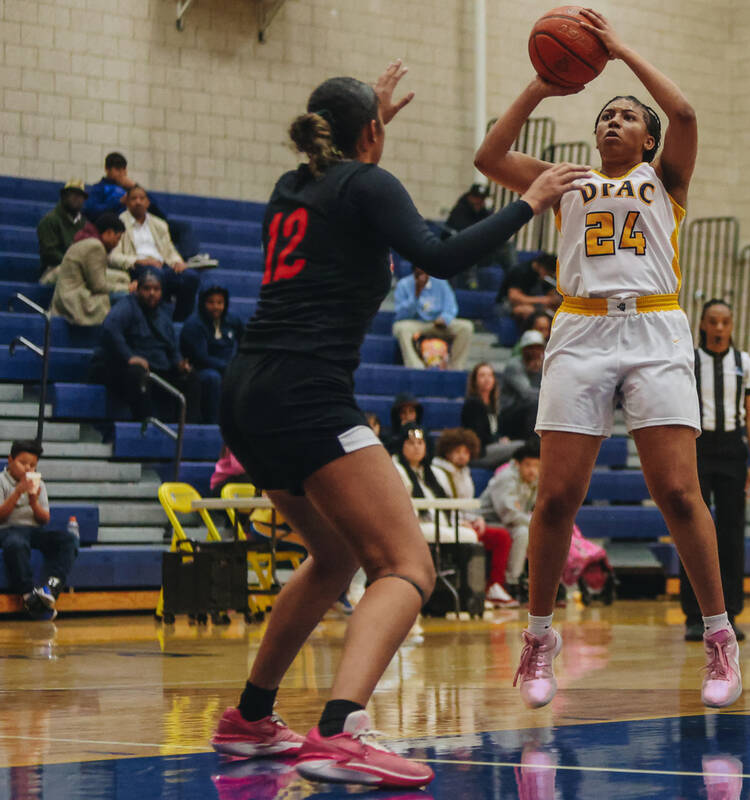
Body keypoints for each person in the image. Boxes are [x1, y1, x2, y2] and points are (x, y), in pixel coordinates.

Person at [206, 61, 587, 790]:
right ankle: (340, 730)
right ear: (372, 134)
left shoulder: (291, 187)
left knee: (332, 556)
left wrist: (367, 121)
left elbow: (345, 182)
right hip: (307, 392)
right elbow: (440, 255)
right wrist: (530, 201)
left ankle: (251, 718)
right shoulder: (366, 184)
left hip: (248, 391)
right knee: (407, 567)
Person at [475, 8, 741, 710]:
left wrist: (619, 51)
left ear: (649, 138)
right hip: (581, 329)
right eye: (605, 117)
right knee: (557, 496)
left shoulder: (665, 179)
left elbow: (684, 111)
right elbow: (489, 158)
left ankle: (719, 636)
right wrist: (540, 86)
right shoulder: (565, 180)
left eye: (627, 116)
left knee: (679, 493)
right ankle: (539, 637)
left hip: (654, 327)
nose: (613, 122)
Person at [681, 299, 750, 643]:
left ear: (731, 326)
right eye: (712, 321)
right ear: (702, 325)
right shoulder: (689, 360)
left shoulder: (744, 363)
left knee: (731, 533)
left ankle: (730, 613)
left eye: (724, 322)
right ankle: (693, 615)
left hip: (732, 451)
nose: (718, 328)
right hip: (696, 449)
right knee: (692, 531)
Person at [91, 269, 221, 424]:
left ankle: (188, 429)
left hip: (158, 368)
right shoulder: (127, 306)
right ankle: (144, 424)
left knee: (191, 377)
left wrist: (179, 363)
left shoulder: (164, 313)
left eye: (156, 289)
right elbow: (110, 329)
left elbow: (171, 346)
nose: (151, 293)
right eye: (147, 289)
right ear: (138, 290)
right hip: (130, 369)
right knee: (136, 373)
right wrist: (129, 356)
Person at [430, 427, 518, 607]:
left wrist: (477, 519)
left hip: (464, 523)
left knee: (502, 537)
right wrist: (459, 523)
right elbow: (441, 507)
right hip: (447, 525)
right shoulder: (437, 472)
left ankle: (494, 586)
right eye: (457, 451)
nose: (462, 456)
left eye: (466, 452)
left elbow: (467, 504)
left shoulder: (465, 473)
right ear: (447, 451)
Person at [0, 440, 78, 621]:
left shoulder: (39, 483)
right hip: (7, 529)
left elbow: (44, 519)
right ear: (10, 460)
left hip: (34, 530)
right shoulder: (1, 481)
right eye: (23, 463)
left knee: (68, 539)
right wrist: (18, 492)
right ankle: (29, 596)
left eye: (32, 465)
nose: (28, 468)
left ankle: (51, 588)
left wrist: (34, 502)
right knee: (16, 544)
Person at [113, 185, 201, 321]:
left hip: (161, 265)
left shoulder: (159, 224)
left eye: (142, 198)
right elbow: (113, 256)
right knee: (156, 275)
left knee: (191, 277)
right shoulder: (119, 222)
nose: (138, 202)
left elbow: (170, 251)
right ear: (127, 202)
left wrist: (177, 262)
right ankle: (157, 319)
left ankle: (179, 320)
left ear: (148, 202)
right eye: (134, 198)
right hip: (136, 266)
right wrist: (138, 261)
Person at [45, 213, 131, 326]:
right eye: (117, 238)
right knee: (126, 298)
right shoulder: (95, 246)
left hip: (66, 298)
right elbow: (98, 287)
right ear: (109, 232)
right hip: (75, 301)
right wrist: (128, 288)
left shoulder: (87, 240)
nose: (117, 244)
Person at [478, 440, 541, 593]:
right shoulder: (506, 478)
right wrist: (536, 525)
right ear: (517, 464)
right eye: (528, 465)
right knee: (522, 532)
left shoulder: (534, 480)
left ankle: (536, 581)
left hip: (506, 522)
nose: (532, 470)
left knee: (535, 531)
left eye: (536, 466)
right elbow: (510, 515)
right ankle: (512, 582)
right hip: (487, 521)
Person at [392, 266, 474, 369]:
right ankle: (415, 367)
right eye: (419, 271)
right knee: (401, 328)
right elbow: (400, 315)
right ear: (414, 270)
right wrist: (416, 294)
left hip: (437, 324)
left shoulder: (441, 283)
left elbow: (451, 307)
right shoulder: (403, 285)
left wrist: (444, 318)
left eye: (424, 271)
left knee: (466, 327)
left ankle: (455, 367)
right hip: (416, 323)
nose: (422, 275)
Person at [444, 183, 517, 285]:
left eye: (482, 198)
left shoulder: (485, 213)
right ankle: (471, 283)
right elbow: (463, 235)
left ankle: (514, 282)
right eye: (476, 197)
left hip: (482, 253)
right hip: (462, 253)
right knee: (470, 243)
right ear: (470, 197)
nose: (478, 201)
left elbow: (494, 230)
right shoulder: (459, 212)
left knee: (507, 246)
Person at [181, 285, 245, 376]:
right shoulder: (194, 324)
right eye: (210, 302)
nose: (216, 307)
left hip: (227, 366)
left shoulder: (232, 319)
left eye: (220, 302)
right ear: (203, 303)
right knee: (212, 376)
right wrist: (229, 367)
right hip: (202, 369)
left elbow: (245, 341)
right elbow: (202, 358)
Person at [499, 329, 545, 441]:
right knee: (534, 403)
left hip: (530, 411)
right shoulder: (514, 365)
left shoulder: (544, 364)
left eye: (538, 348)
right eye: (531, 348)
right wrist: (534, 373)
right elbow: (527, 394)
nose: (535, 352)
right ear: (523, 349)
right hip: (509, 413)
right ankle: (533, 442)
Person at [36, 180, 89, 273]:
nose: (77, 198)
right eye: (73, 194)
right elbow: (49, 253)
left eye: (80, 196)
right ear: (64, 196)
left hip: (79, 270)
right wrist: (74, 263)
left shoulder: (85, 224)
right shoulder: (49, 220)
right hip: (54, 270)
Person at [496, 252, 560, 323]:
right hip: (506, 304)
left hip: (528, 303)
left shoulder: (540, 274)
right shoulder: (520, 271)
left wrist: (553, 299)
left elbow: (549, 293)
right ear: (543, 268)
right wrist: (542, 300)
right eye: (548, 273)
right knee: (529, 311)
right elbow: (514, 297)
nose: (548, 276)